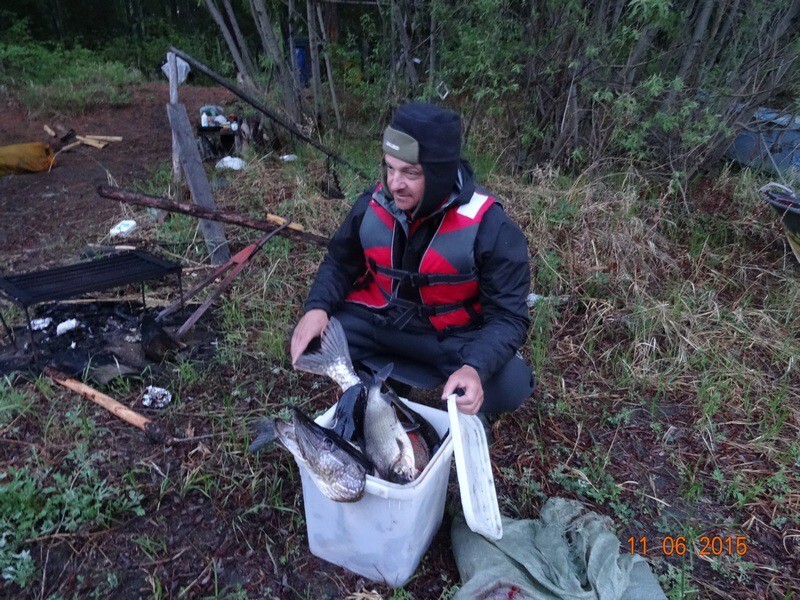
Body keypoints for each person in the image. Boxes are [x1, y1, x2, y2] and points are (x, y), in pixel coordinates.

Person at [291, 102, 535, 415]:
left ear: (439, 174)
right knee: (311, 338)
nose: (394, 184)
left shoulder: (492, 227)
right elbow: (340, 261)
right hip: (381, 325)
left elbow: (509, 317)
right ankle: (383, 382)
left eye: (410, 173)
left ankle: (447, 388)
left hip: (450, 339)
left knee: (508, 383)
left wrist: (474, 367)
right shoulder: (372, 203)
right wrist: (317, 307)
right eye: (389, 168)